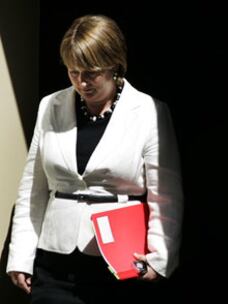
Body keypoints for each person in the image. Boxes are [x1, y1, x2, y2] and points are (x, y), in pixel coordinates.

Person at [6, 14, 183, 303]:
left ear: (115, 66)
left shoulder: (148, 111)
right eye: (73, 72)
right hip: (55, 263)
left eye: (91, 72)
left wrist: (159, 257)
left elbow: (166, 195)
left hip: (119, 262)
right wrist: (21, 256)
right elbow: (33, 187)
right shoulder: (51, 105)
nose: (82, 82)